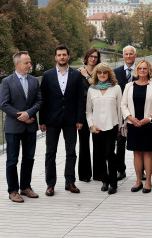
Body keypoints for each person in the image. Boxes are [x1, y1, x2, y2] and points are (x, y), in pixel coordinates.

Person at [40, 45, 84, 196]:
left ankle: (70, 182)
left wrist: (80, 119)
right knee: (50, 152)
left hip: (71, 120)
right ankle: (50, 184)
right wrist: (42, 121)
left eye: (64, 55)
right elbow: (43, 100)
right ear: (55, 57)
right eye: (59, 55)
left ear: (68, 56)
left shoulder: (76, 75)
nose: (62, 57)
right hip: (52, 120)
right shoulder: (47, 75)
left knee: (71, 152)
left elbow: (80, 99)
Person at [0, 51, 42, 202]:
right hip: (13, 127)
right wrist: (21, 116)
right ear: (17, 64)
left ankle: (25, 187)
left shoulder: (34, 80)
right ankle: (13, 191)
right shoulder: (7, 81)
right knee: (12, 160)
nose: (30, 65)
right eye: (27, 63)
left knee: (29, 158)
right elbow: (3, 104)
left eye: (30, 62)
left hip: (30, 126)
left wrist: (29, 113)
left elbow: (39, 101)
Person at [122, 60, 152, 193]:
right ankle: (138, 180)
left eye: (145, 68)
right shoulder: (129, 86)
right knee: (136, 153)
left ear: (149, 70)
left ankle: (148, 182)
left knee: (147, 153)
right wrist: (130, 118)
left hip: (148, 124)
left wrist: (149, 118)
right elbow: (123, 105)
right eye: (140, 68)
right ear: (137, 70)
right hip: (133, 124)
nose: (142, 71)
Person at [86, 63, 122, 194]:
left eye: (105, 73)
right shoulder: (92, 89)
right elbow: (88, 111)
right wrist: (91, 125)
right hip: (97, 128)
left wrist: (120, 127)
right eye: (99, 73)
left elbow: (119, 109)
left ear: (109, 74)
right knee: (100, 155)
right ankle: (104, 180)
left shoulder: (116, 88)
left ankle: (113, 183)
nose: (102, 75)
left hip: (111, 126)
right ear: (96, 74)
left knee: (109, 154)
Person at [113, 45, 137, 181]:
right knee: (120, 143)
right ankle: (120, 170)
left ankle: (141, 170)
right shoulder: (115, 72)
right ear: (123, 56)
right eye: (126, 54)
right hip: (121, 114)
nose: (128, 56)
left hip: (137, 112)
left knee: (138, 143)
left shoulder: (141, 70)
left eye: (131, 54)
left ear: (135, 55)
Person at [77, 48, 101, 182]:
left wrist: (87, 75)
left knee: (98, 143)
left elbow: (99, 87)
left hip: (97, 111)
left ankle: (98, 173)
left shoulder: (100, 72)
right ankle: (84, 174)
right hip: (82, 111)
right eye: (91, 56)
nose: (93, 59)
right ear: (86, 57)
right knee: (83, 143)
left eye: (95, 57)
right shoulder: (77, 73)